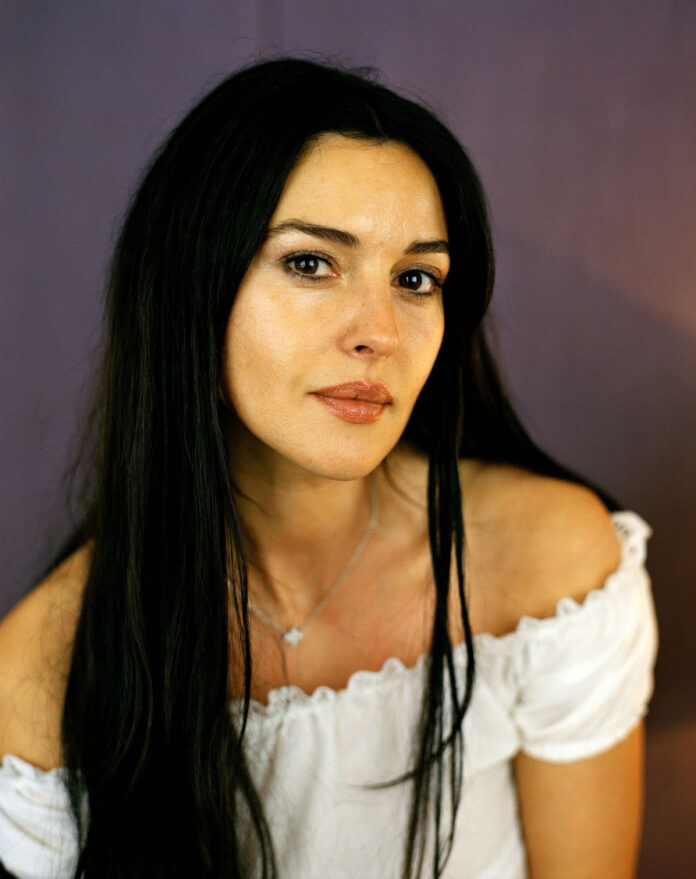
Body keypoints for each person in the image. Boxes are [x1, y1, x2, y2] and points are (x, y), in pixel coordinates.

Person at [0, 58, 657, 879]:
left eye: (416, 278)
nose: (379, 330)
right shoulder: (43, 674)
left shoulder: (548, 563)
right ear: (191, 286)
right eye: (311, 263)